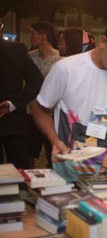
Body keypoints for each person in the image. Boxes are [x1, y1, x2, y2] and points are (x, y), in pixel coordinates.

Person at [32, 16, 107, 181]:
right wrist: (54, 140)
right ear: (104, 41)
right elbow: (40, 109)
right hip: (66, 170)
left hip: (105, 172)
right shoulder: (65, 69)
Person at [0, 37, 44, 169]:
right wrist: (13, 103)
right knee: (20, 175)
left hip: (15, 124)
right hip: (15, 121)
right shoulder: (17, 50)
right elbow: (36, 82)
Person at [29, 21, 62, 168]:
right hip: (30, 114)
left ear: (42, 36)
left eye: (33, 33)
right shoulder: (28, 57)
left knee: (52, 154)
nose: (31, 37)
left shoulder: (60, 60)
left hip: (51, 116)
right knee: (28, 154)